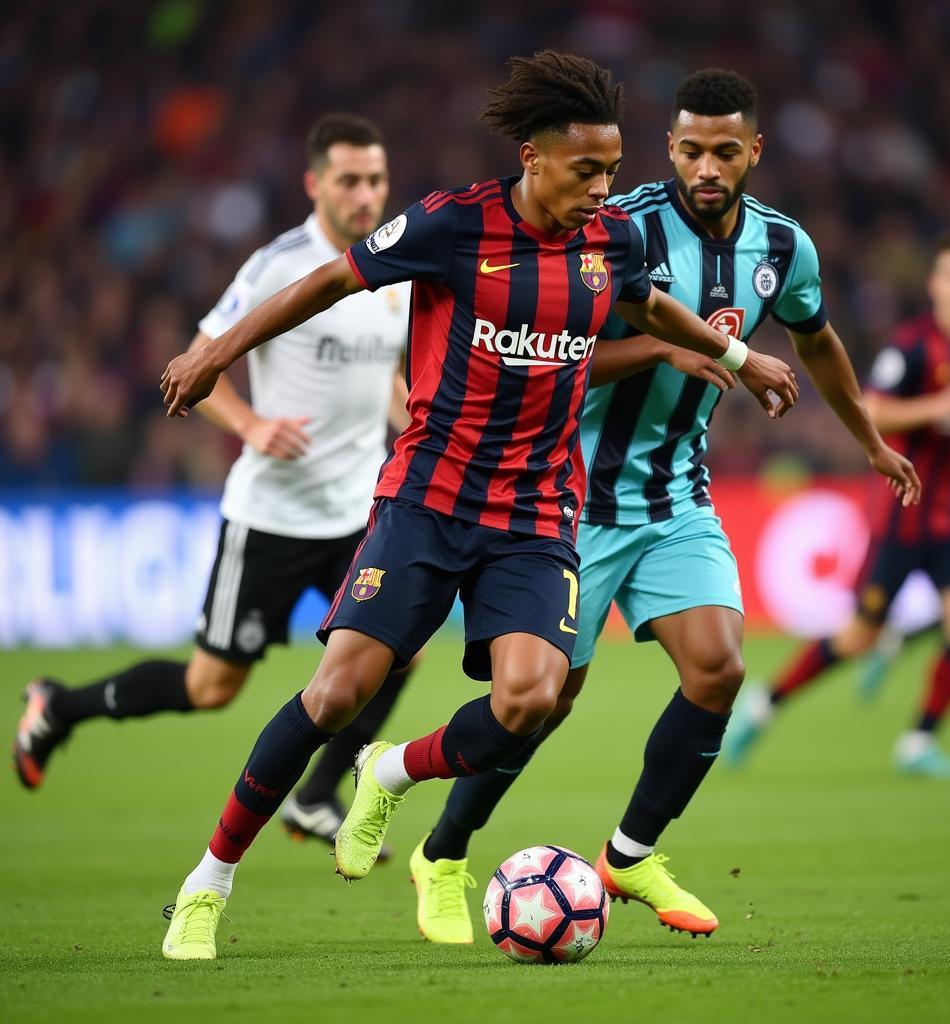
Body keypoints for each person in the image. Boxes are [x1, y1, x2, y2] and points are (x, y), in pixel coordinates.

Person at [157, 50, 800, 961]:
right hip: (427, 498)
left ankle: (390, 774)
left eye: (613, 171)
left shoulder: (608, 239)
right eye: (588, 171)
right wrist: (218, 351)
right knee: (338, 691)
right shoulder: (454, 225)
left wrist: (739, 359)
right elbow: (330, 280)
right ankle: (207, 882)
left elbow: (649, 307)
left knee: (532, 697)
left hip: (538, 512)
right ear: (534, 157)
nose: (604, 189)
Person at [405, 68, 920, 946]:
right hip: (570, 498)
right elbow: (559, 356)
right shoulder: (618, 228)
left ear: (753, 151)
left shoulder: (783, 247)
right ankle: (444, 851)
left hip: (678, 494)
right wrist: (665, 352)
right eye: (690, 149)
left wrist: (868, 439)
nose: (707, 166)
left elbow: (818, 339)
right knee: (544, 701)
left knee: (719, 669)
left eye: (725, 150)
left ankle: (630, 853)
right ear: (669, 149)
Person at [14, 113, 414, 848]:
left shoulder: (389, 272)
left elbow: (382, 373)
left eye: (376, 180)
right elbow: (199, 363)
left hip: (357, 511)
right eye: (350, 180)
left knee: (401, 649)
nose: (366, 195)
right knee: (211, 687)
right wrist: (254, 426)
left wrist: (412, 414)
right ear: (315, 184)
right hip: (272, 515)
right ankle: (59, 705)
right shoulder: (278, 264)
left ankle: (318, 796)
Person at [725, 231, 950, 779]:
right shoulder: (912, 346)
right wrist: (937, 405)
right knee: (858, 636)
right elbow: (873, 412)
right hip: (900, 513)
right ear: (935, 286)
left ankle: (918, 743)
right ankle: (765, 704)